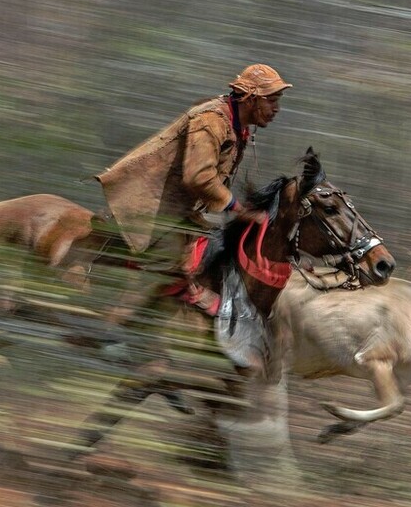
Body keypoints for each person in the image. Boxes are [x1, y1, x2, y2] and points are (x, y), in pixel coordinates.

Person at [94, 63, 292, 317]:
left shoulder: (236, 125)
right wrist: (237, 208)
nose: (276, 109)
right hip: (153, 204)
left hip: (181, 211)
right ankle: (113, 328)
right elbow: (199, 177)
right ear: (251, 99)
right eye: (272, 100)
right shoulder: (211, 120)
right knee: (167, 261)